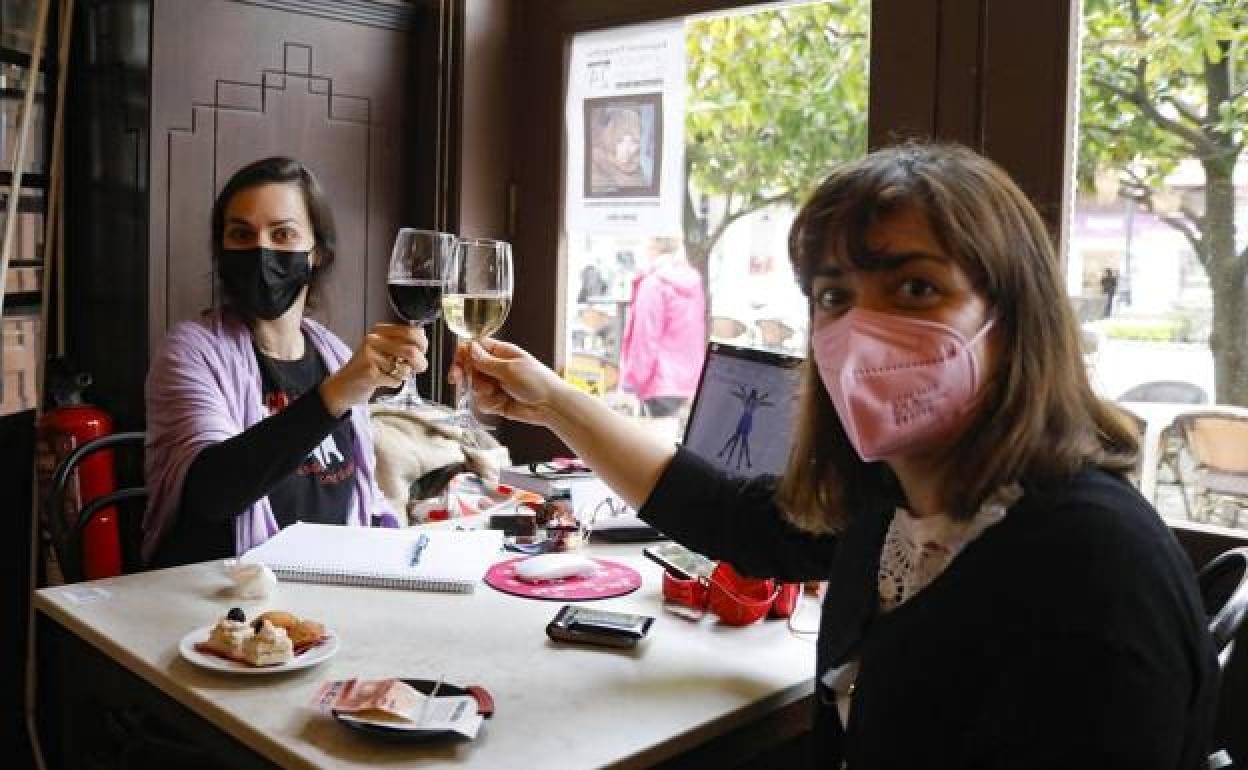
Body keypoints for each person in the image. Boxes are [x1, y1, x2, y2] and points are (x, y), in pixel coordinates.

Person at [452, 143, 1217, 768]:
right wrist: (552, 401)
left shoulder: (1094, 571)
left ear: (1015, 320)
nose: (864, 331)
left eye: (916, 288)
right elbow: (729, 518)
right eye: (833, 297)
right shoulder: (895, 507)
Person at [142, 157, 428, 566]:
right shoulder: (190, 351)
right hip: (222, 604)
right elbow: (211, 493)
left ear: (317, 254)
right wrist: (333, 397)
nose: (261, 250)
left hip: (329, 592)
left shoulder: (334, 354)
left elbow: (363, 505)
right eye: (241, 234)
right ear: (222, 250)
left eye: (283, 234)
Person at [618, 236, 706, 418]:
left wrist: (632, 383)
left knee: (651, 441)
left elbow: (644, 339)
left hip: (658, 382)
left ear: (653, 248)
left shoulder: (654, 285)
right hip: (687, 381)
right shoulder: (692, 282)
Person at [589, 105, 648, 192]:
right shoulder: (595, 163)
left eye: (634, 142)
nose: (627, 150)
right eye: (620, 141)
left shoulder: (638, 172)